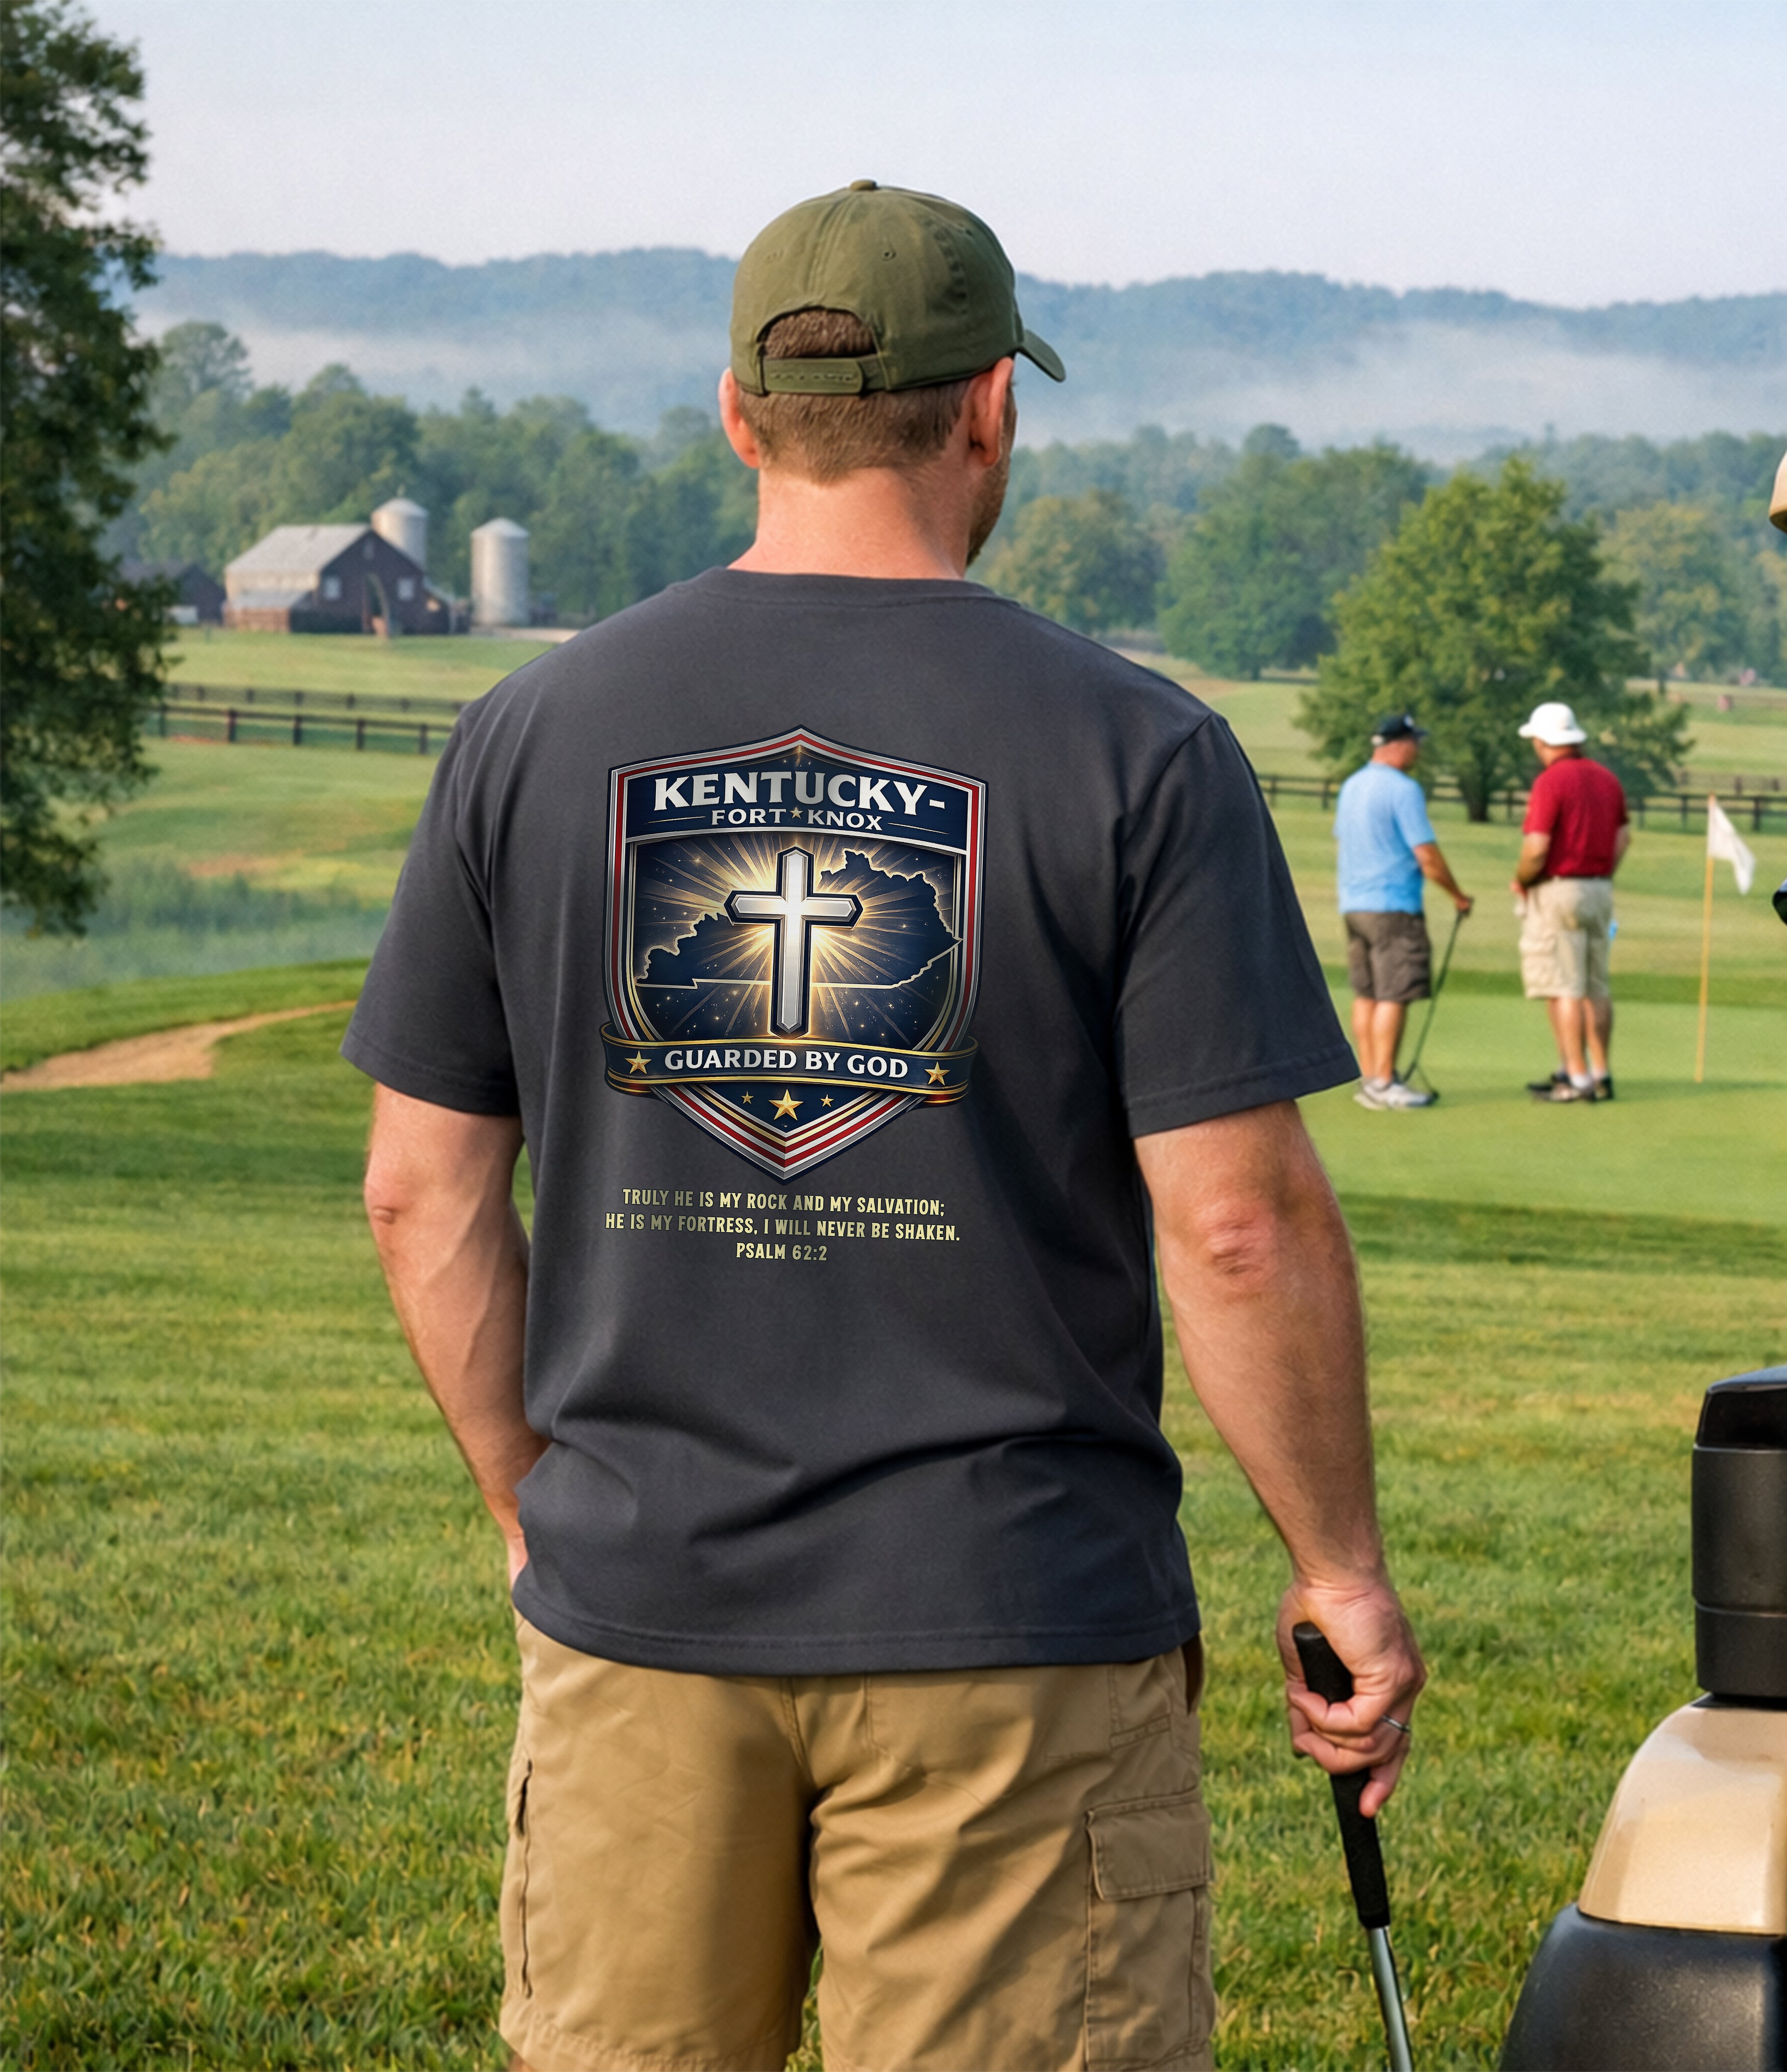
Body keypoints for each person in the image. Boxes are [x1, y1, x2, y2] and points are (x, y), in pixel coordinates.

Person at [346, 181, 1423, 2072]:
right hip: (1015, 1625)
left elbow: (418, 1192)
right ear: (991, 405)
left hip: (639, 1617)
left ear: (738, 413)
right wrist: (1338, 1570)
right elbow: (1237, 1225)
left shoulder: (527, 736)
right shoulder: (1137, 750)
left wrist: (539, 1508)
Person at [1334, 713, 1474, 1110]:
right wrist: (1458, 896)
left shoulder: (1352, 785)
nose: (1418, 749)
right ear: (1397, 745)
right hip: (1393, 905)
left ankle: (1369, 1078)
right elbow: (1426, 855)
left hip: (1355, 904)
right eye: (1415, 742)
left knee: (1368, 992)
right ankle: (1384, 1082)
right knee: (1394, 993)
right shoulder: (1403, 789)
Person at [1509, 699, 1630, 1103]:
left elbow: (1537, 848)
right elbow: (1623, 838)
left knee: (1564, 986)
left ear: (1544, 741)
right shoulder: (1607, 779)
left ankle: (1575, 1079)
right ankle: (1600, 1072)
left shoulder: (1551, 781)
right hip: (1600, 888)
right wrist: (1602, 871)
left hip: (1559, 888)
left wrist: (1522, 879)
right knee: (1596, 984)